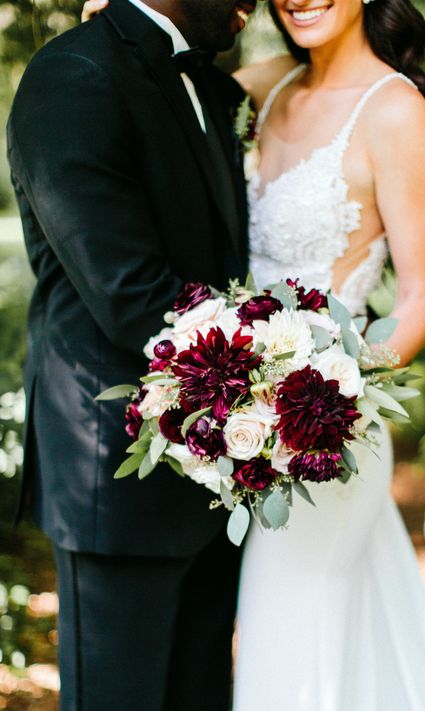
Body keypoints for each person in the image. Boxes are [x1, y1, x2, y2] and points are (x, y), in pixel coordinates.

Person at [89, 0, 425, 708]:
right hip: (241, 432)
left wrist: (322, 404)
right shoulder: (265, 87)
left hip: (323, 435)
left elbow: (422, 298)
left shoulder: (395, 113)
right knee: (311, 638)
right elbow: (158, 64)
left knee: (290, 641)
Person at [6, 0, 257, 709]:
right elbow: (132, 294)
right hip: (115, 480)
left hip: (218, 476)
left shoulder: (214, 87)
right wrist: (277, 379)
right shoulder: (75, 74)